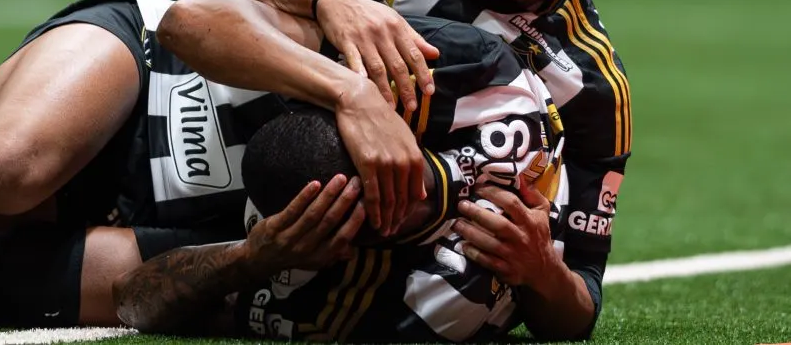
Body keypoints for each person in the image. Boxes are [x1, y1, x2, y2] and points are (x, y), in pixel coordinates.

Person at [181, 0, 639, 338]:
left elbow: (579, 308)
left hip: (285, 215)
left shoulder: (586, 82)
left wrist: (540, 271)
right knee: (44, 164)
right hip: (186, 83)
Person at [0, 0, 569, 335]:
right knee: (11, 168)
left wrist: (252, 259)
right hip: (150, 66)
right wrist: (347, 90)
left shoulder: (407, 301)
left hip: (165, 225)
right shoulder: (470, 79)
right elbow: (188, 21)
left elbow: (136, 300)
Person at [113, 104, 578, 343]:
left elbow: (125, 296)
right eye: (369, 199)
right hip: (193, 131)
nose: (400, 201)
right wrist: (251, 258)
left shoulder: (457, 84)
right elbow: (128, 299)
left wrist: (544, 274)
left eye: (388, 179)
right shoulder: (317, 285)